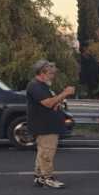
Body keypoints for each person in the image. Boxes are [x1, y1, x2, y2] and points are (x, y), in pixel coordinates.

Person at [26, 60, 75, 188]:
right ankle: (48, 178)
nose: (53, 76)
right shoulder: (35, 86)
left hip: (47, 125)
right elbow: (48, 103)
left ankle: (39, 177)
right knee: (47, 152)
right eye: (50, 73)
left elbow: (50, 102)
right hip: (44, 126)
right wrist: (65, 93)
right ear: (42, 73)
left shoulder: (42, 86)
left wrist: (58, 101)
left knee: (43, 152)